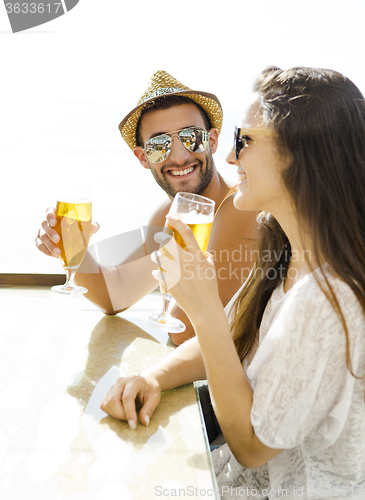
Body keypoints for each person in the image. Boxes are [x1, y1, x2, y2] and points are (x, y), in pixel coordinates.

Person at [100, 67, 365, 499]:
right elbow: (233, 334)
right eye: (159, 144)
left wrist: (202, 310)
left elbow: (250, 446)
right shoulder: (284, 248)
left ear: (297, 154)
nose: (229, 157)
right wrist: (152, 376)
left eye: (244, 140)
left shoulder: (326, 299)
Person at [35, 70, 258, 345]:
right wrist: (72, 248)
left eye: (192, 137)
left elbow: (184, 331)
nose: (179, 156)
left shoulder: (241, 209)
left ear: (211, 141)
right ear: (143, 157)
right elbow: (113, 293)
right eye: (159, 145)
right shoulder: (171, 213)